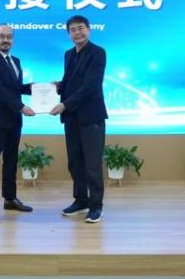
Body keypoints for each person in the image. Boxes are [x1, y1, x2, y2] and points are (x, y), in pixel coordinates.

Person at [50, 15, 108, 223]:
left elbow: (91, 85)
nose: (77, 32)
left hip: (91, 116)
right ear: (69, 34)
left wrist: (65, 104)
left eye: (81, 28)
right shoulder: (68, 54)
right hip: (71, 117)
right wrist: (58, 86)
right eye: (73, 30)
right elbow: (71, 81)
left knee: (92, 163)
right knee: (75, 162)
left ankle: (96, 205)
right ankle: (81, 200)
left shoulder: (98, 52)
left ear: (89, 30)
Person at [0, 23, 35, 224]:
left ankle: (10, 199)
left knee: (11, 161)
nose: (5, 40)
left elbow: (15, 88)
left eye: (9, 36)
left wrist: (40, 88)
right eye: (1, 36)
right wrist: (21, 106)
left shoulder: (15, 60)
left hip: (14, 120)